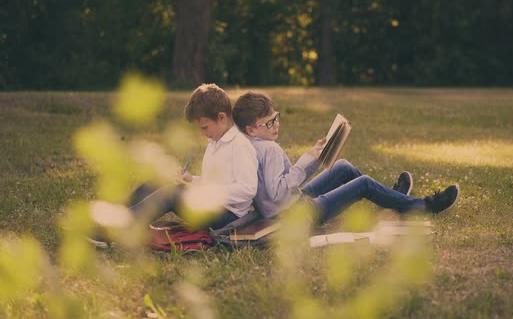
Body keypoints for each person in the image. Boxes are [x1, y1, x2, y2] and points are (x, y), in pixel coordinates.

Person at [231, 92, 459, 224]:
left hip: (292, 204)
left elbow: (285, 187)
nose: (276, 124)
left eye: (276, 117)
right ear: (251, 129)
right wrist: (303, 161)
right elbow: (278, 191)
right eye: (269, 122)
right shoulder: (267, 149)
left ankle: (393, 199)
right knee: (363, 184)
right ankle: (422, 207)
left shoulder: (251, 145)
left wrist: (315, 159)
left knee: (342, 167)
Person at [88, 84, 258, 247]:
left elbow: (247, 189)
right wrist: (192, 180)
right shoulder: (216, 140)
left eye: (204, 127)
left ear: (221, 117)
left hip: (228, 216)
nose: (201, 133)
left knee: (171, 194)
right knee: (155, 184)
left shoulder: (240, 146)